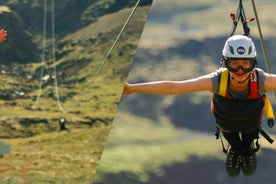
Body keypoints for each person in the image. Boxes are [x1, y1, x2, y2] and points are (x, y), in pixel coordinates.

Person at [123, 35, 276, 178]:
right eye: (234, 64)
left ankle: (247, 148)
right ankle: (236, 149)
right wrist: (131, 88)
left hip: (251, 122)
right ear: (225, 62)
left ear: (253, 64)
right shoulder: (216, 80)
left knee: (249, 134)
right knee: (232, 137)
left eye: (245, 64)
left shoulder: (263, 81)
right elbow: (174, 88)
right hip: (226, 123)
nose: (240, 71)